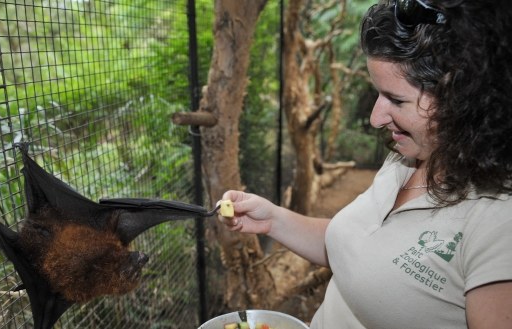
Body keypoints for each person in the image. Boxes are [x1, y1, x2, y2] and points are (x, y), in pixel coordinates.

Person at [218, 0, 512, 328]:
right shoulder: (408, 158)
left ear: (467, 100)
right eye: (378, 94)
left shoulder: (499, 219)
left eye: (397, 100)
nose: (375, 118)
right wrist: (272, 219)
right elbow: (356, 245)